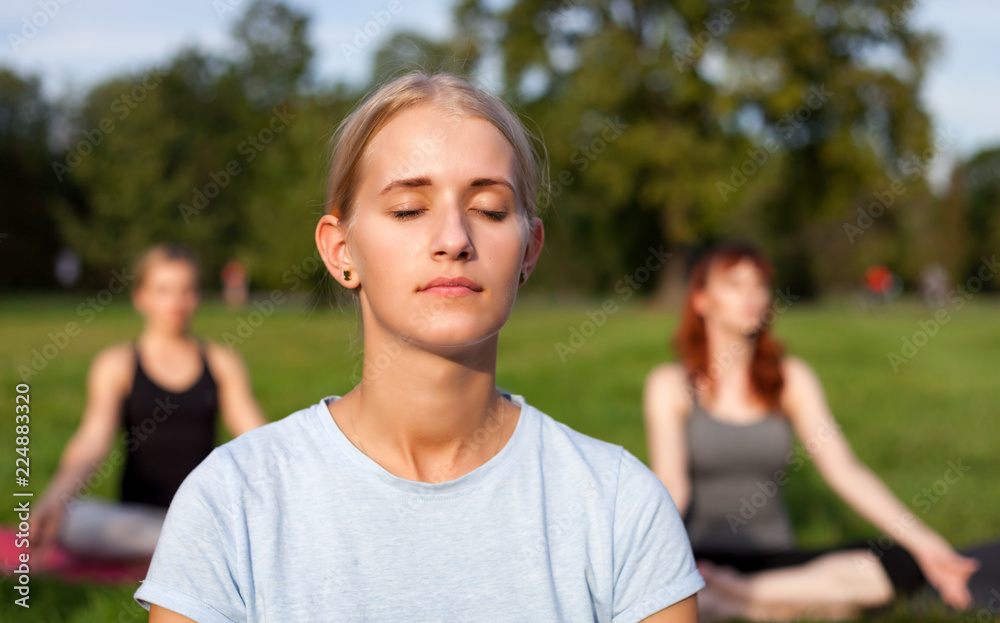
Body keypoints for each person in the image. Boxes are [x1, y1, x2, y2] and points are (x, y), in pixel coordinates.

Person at [134, 71, 704, 622]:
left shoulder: (619, 506)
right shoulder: (231, 502)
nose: (454, 239)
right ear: (340, 251)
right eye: (409, 208)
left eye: (489, 209)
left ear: (529, 251)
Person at [643, 241, 994, 621]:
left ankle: (738, 597)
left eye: (759, 284)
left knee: (900, 562)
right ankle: (775, 605)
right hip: (700, 558)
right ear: (701, 300)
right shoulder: (671, 384)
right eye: (734, 284)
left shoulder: (791, 379)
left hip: (779, 563)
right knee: (830, 601)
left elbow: (844, 471)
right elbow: (671, 489)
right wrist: (644, 564)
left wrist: (926, 544)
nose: (751, 295)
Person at [30, 244, 268, 561]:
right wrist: (55, 497)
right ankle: (194, 549)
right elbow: (92, 440)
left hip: (205, 513)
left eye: (186, 290)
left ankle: (190, 546)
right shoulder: (116, 364)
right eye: (163, 290)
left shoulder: (222, 362)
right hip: (135, 521)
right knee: (73, 520)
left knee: (242, 522)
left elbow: (256, 439)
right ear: (141, 296)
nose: (176, 302)